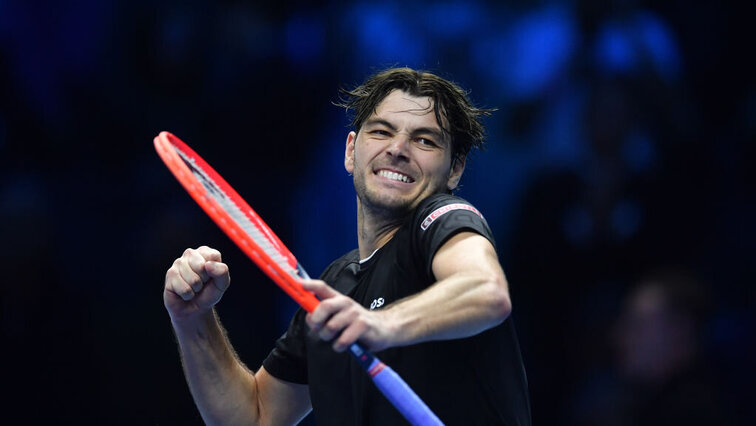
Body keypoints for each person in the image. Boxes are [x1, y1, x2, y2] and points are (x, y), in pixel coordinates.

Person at [163, 67, 531, 425]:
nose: (398, 149)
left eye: (425, 140)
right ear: (351, 151)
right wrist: (193, 318)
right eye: (382, 131)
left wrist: (380, 325)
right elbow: (254, 418)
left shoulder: (441, 217)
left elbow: (486, 290)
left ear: (455, 170)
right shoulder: (336, 289)